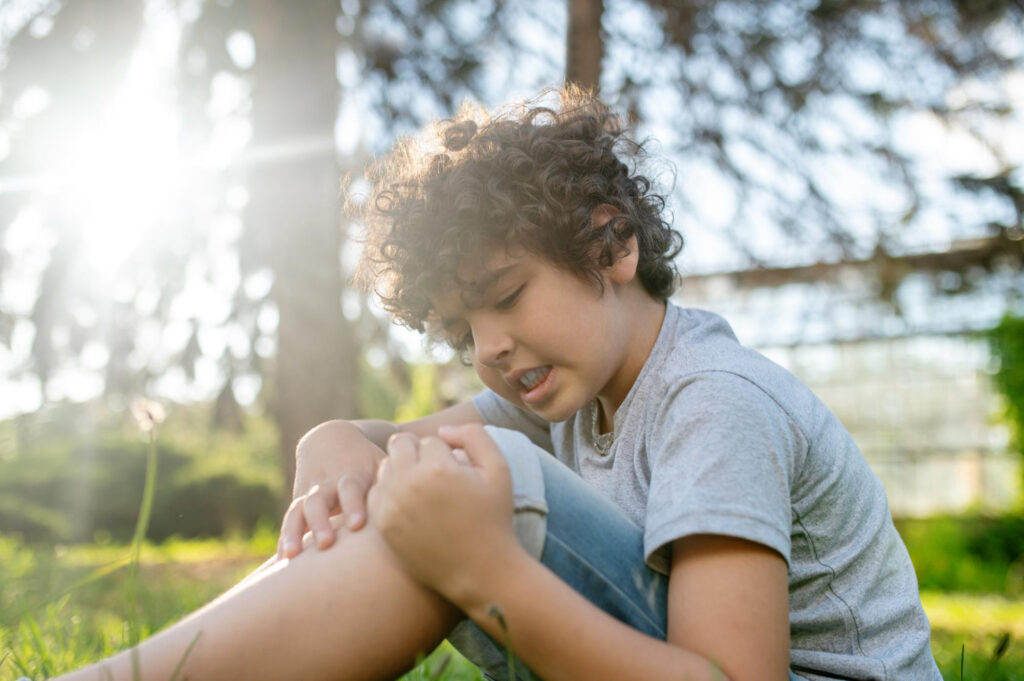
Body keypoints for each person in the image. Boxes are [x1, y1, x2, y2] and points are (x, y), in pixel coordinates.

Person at [52, 86, 941, 681]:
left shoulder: (713, 400)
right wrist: (326, 443)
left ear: (610, 245)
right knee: (441, 470)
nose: (491, 347)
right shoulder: (559, 393)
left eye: (506, 296)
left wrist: (480, 567)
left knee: (481, 479)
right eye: (462, 329)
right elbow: (377, 443)